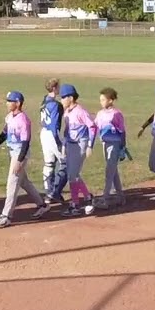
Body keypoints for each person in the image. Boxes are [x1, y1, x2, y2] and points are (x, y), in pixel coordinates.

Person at [0, 91, 49, 228]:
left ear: (17, 103)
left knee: (12, 183)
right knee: (23, 182)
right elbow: (4, 134)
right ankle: (42, 205)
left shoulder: (23, 120)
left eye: (9, 101)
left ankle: (6, 216)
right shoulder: (9, 117)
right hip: (12, 152)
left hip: (19, 153)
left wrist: (19, 160)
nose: (7, 103)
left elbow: (26, 142)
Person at [59, 84, 96, 216]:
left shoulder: (80, 111)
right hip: (70, 144)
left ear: (70, 97)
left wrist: (90, 146)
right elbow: (67, 129)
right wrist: (64, 144)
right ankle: (87, 197)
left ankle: (74, 205)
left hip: (80, 144)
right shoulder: (67, 112)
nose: (61, 100)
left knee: (72, 175)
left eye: (63, 97)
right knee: (73, 174)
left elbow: (92, 127)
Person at [95, 87, 127, 209]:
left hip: (114, 144)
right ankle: (120, 196)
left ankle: (105, 197)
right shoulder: (100, 114)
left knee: (109, 171)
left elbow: (122, 131)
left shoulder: (116, 114)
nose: (101, 102)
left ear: (110, 100)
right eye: (100, 100)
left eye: (103, 99)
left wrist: (122, 147)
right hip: (105, 143)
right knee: (113, 171)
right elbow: (95, 126)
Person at [39, 78, 67, 207]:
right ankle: (55, 192)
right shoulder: (56, 105)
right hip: (52, 134)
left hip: (43, 133)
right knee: (66, 163)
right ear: (55, 88)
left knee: (49, 163)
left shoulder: (44, 101)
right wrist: (58, 143)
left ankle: (48, 193)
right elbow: (55, 125)